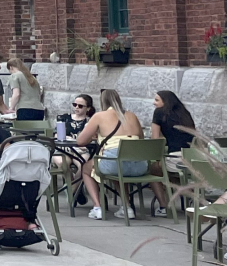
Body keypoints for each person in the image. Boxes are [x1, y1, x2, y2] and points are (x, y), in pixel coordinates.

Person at [76, 87, 145, 219]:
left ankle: (97, 207)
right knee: (119, 166)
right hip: (139, 166)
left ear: (103, 101)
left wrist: (94, 136)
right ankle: (127, 207)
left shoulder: (99, 116)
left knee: (86, 168)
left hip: (114, 162)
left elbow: (80, 141)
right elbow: (140, 139)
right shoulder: (132, 116)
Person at [144, 90, 197, 217]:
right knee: (170, 174)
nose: (153, 103)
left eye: (157, 100)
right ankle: (189, 191)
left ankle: (163, 206)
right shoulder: (184, 113)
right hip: (192, 158)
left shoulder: (159, 113)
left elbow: (155, 141)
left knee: (152, 170)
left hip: (175, 158)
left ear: (165, 102)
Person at [6, 56, 46, 121]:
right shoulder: (32, 77)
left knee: (23, 131)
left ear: (11, 67)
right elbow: (39, 94)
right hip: (39, 110)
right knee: (36, 131)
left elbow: (16, 94)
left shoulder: (14, 76)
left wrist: (11, 108)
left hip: (24, 109)